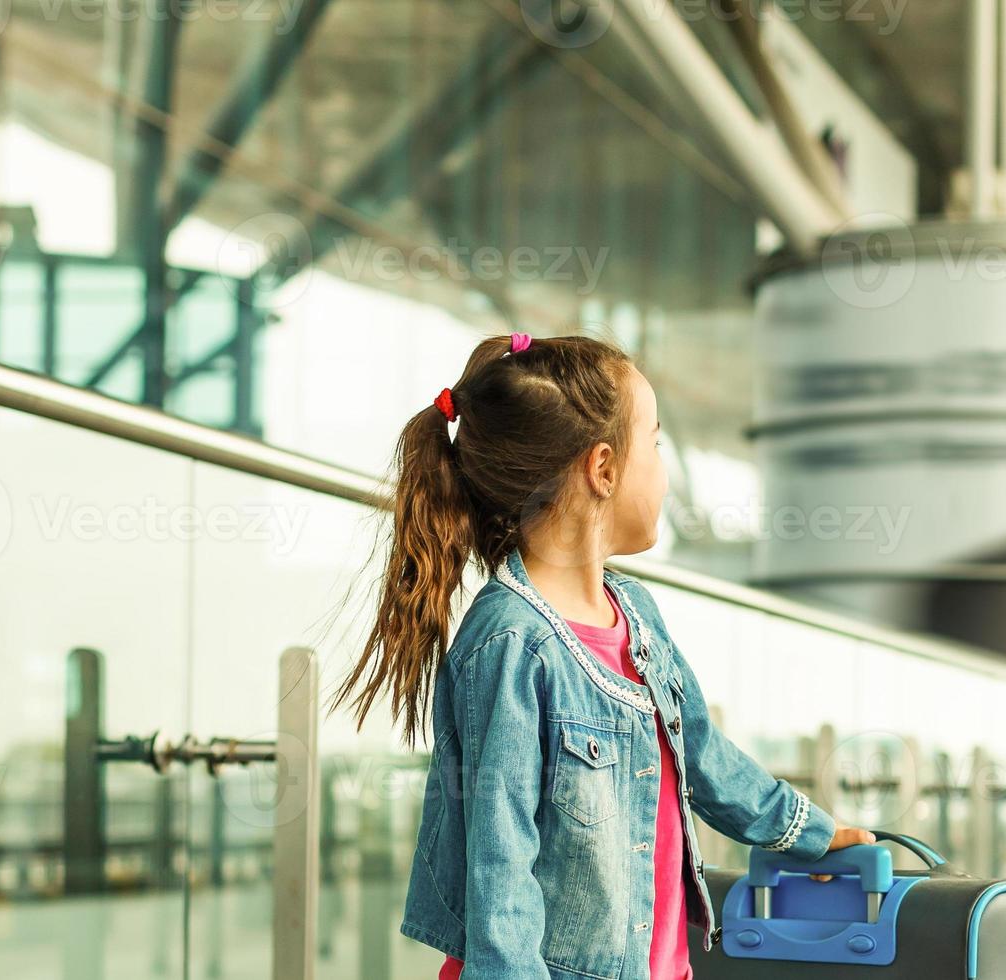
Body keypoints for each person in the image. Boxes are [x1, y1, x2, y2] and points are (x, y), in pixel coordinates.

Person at [335, 331, 874, 980]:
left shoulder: (637, 613)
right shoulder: (509, 642)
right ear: (603, 468)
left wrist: (808, 832)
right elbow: (499, 871)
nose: (663, 467)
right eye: (655, 443)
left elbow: (701, 755)